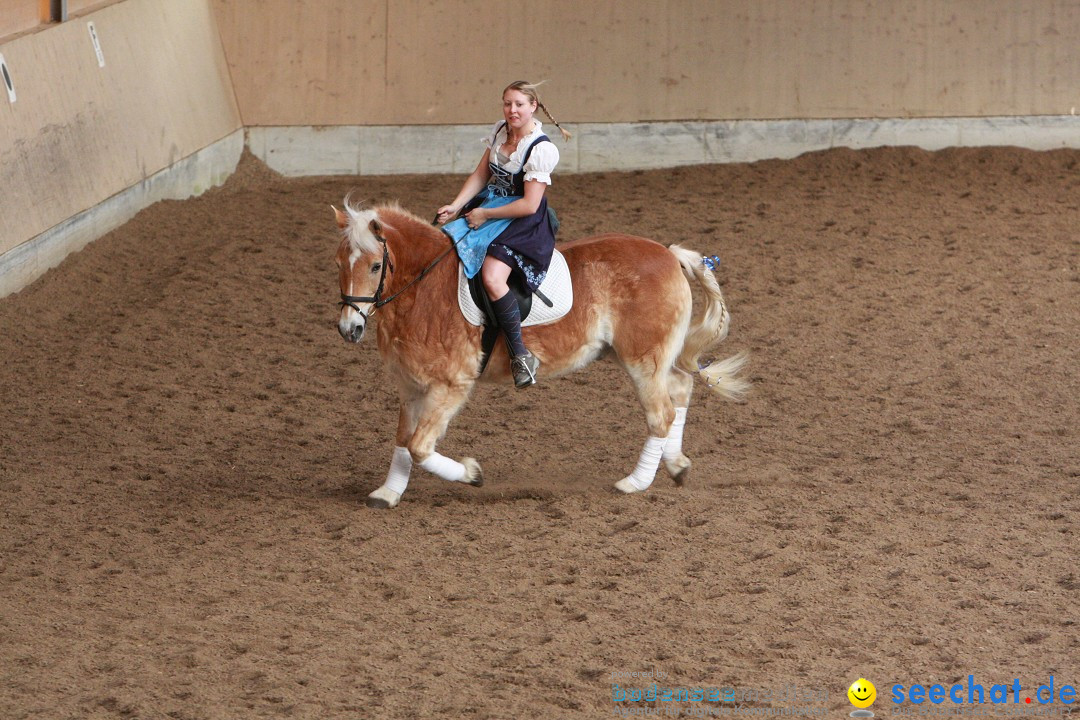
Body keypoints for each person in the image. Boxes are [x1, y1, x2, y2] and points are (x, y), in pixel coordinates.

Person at [437, 80, 571, 388]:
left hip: (521, 222)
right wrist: (456, 206)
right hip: (489, 205)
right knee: (444, 247)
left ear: (533, 107)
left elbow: (528, 204)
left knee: (493, 277)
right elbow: (481, 174)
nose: (512, 110)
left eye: (519, 105)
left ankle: (520, 354)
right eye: (507, 104)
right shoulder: (500, 130)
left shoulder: (541, 149)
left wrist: (484, 214)